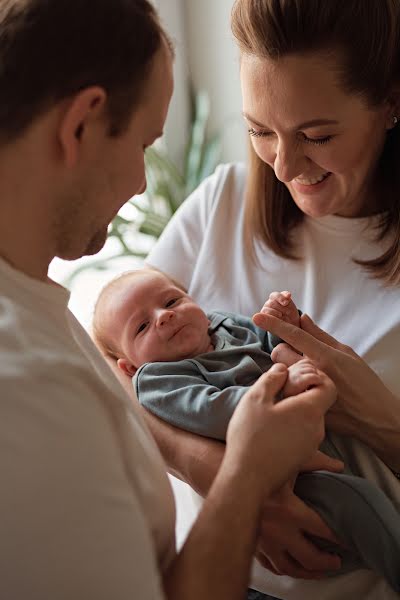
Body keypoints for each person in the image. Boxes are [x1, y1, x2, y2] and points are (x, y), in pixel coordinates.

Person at [0, 1, 339, 599]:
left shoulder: (37, 312)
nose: (141, 182)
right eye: (142, 145)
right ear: (81, 125)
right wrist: (244, 472)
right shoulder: (31, 390)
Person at [124, 1, 400, 598]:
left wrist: (380, 421)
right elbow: (109, 366)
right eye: (259, 131)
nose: (283, 164)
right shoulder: (219, 204)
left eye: (317, 136)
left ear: (390, 103)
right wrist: (227, 478)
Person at [92, 266, 400, 592]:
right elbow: (209, 410)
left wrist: (283, 322)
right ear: (128, 367)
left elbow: (268, 341)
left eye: (171, 301)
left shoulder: (224, 323)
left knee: (372, 493)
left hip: (325, 445)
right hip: (289, 484)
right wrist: (281, 386)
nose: (164, 316)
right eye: (141, 327)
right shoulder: (157, 379)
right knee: (358, 502)